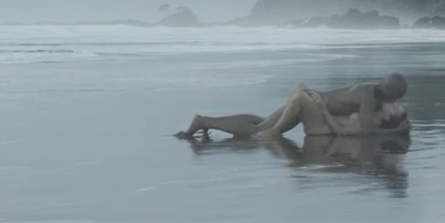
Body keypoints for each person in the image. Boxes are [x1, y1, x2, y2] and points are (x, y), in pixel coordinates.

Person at [174, 74, 409, 140]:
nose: (395, 102)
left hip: (312, 99)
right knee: (259, 131)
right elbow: (367, 131)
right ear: (389, 92)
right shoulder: (370, 96)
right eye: (396, 98)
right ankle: (204, 121)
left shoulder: (372, 91)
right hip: (311, 104)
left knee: (263, 121)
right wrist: (396, 131)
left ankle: (207, 122)